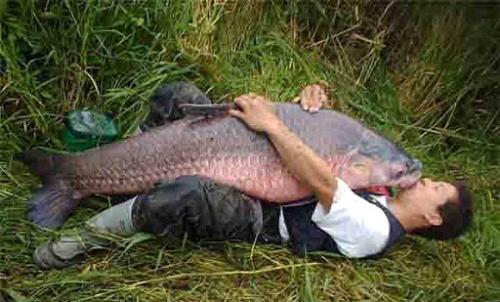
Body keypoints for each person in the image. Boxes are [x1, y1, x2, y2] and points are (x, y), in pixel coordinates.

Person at [33, 82, 473, 269]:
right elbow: (335, 148)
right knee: (180, 98)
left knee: (187, 194)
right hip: (271, 179)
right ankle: (125, 170)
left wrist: (274, 125)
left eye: (436, 189)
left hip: (260, 218)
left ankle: (72, 238)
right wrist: (313, 100)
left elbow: (322, 183)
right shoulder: (380, 189)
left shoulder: (377, 230)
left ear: (434, 219)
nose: (426, 180)